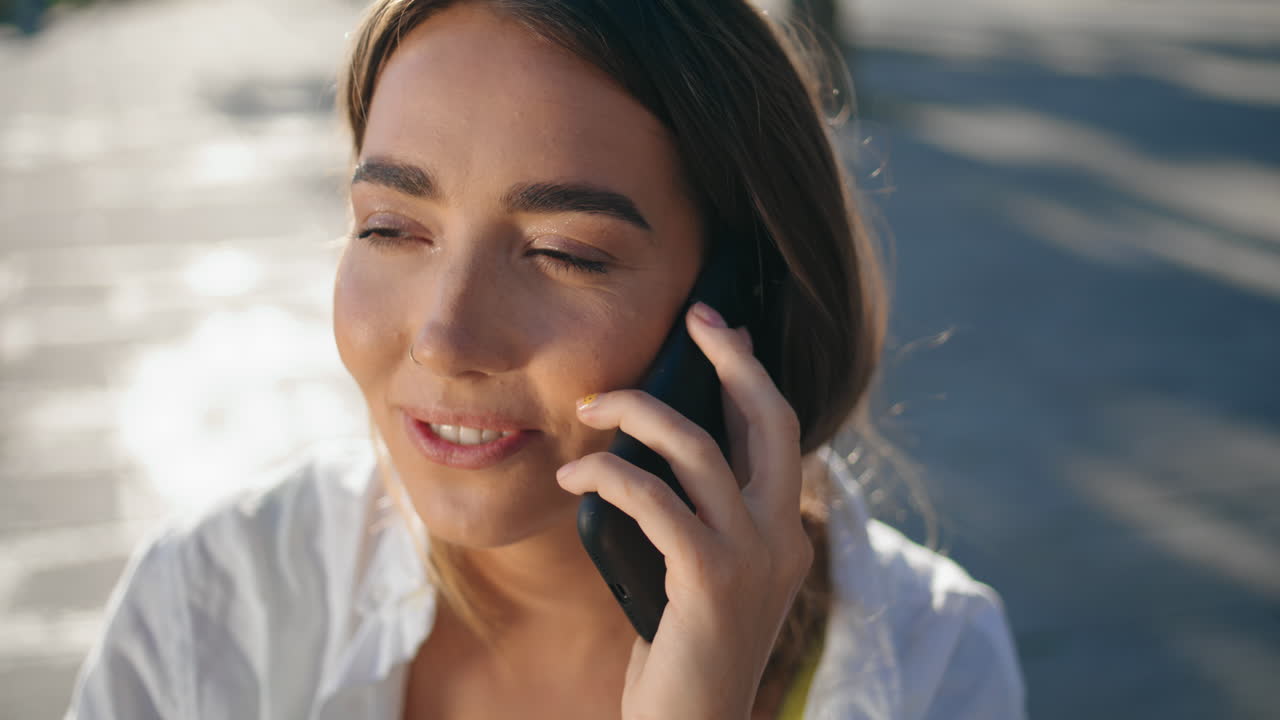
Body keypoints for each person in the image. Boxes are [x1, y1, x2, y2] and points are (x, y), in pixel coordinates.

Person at [66, 1, 1025, 718]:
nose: (444, 337)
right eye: (392, 227)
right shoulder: (209, 607)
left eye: (564, 253)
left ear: (744, 300)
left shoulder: (930, 659)